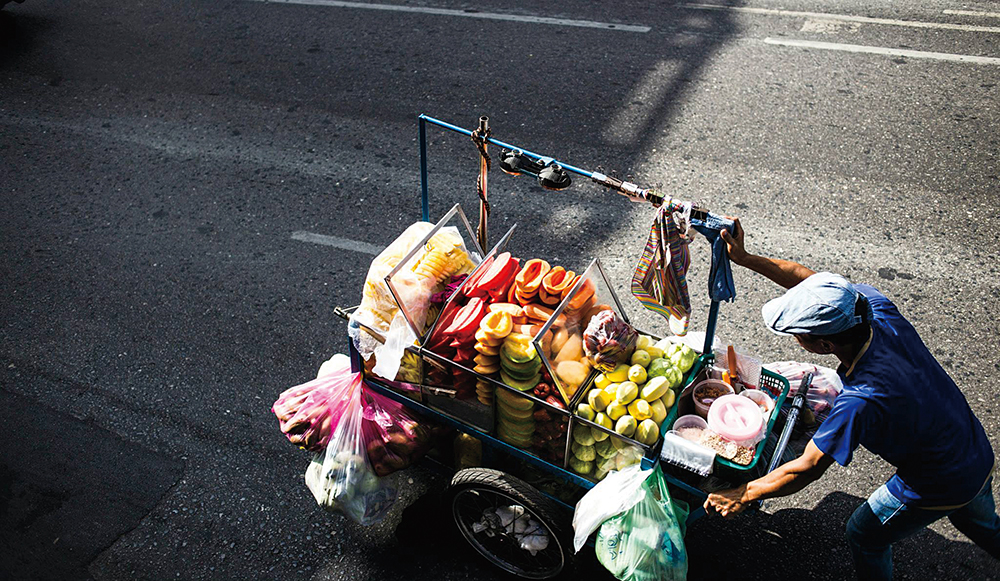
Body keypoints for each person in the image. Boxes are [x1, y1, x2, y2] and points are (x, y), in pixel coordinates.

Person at [703, 219, 999, 580]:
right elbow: (807, 280)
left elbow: (807, 468)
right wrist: (746, 258)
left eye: (799, 334)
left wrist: (743, 493)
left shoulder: (861, 399)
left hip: (938, 478)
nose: (795, 338)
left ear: (824, 346)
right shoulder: (872, 309)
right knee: (982, 522)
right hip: (973, 448)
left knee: (864, 534)